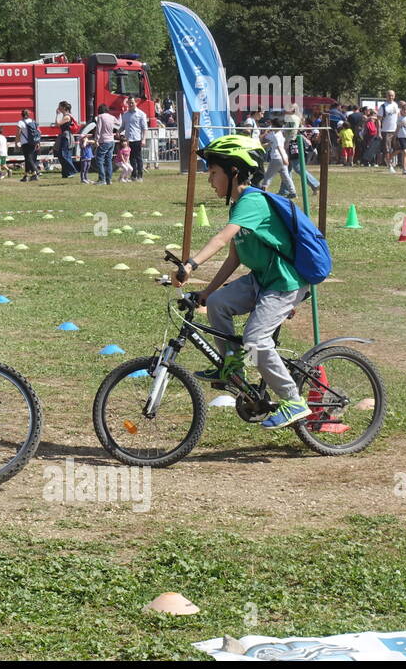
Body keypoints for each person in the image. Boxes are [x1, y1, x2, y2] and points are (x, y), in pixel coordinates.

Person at [175, 134, 312, 431]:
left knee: (255, 340)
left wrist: (191, 264)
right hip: (260, 279)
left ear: (234, 170)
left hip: (284, 282)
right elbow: (233, 258)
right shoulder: (238, 206)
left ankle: (294, 400)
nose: (210, 180)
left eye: (213, 172)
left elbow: (222, 238)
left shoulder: (253, 202)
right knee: (219, 304)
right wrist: (207, 293)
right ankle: (233, 367)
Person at [121, 97, 148, 182]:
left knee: (138, 158)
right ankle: (133, 175)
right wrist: (118, 131)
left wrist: (143, 139)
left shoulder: (141, 114)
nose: (131, 104)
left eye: (132, 102)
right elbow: (123, 126)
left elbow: (144, 128)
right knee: (131, 158)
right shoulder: (125, 115)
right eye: (129, 103)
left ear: (136, 103)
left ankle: (140, 176)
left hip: (137, 139)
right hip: (128, 140)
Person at [93, 103, 119, 185]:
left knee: (99, 160)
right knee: (109, 161)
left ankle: (102, 179)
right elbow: (118, 123)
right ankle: (109, 179)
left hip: (104, 141)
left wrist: (96, 140)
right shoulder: (112, 117)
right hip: (111, 141)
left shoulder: (100, 117)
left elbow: (98, 129)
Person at [378, 90, 399, 171]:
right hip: (386, 130)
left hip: (395, 130)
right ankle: (390, 165)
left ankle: (388, 160)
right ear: (386, 96)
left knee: (397, 148)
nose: (391, 97)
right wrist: (379, 131)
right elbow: (379, 119)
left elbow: (398, 116)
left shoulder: (396, 105)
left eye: (392, 95)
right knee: (387, 149)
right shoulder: (383, 106)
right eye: (389, 95)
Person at [18, 110, 41, 181]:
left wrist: (16, 142)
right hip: (33, 142)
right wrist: (38, 142)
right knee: (27, 158)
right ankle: (26, 176)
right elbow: (39, 132)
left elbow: (18, 133)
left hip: (25, 143)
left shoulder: (21, 122)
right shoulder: (33, 122)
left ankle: (35, 173)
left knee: (28, 158)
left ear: (22, 115)